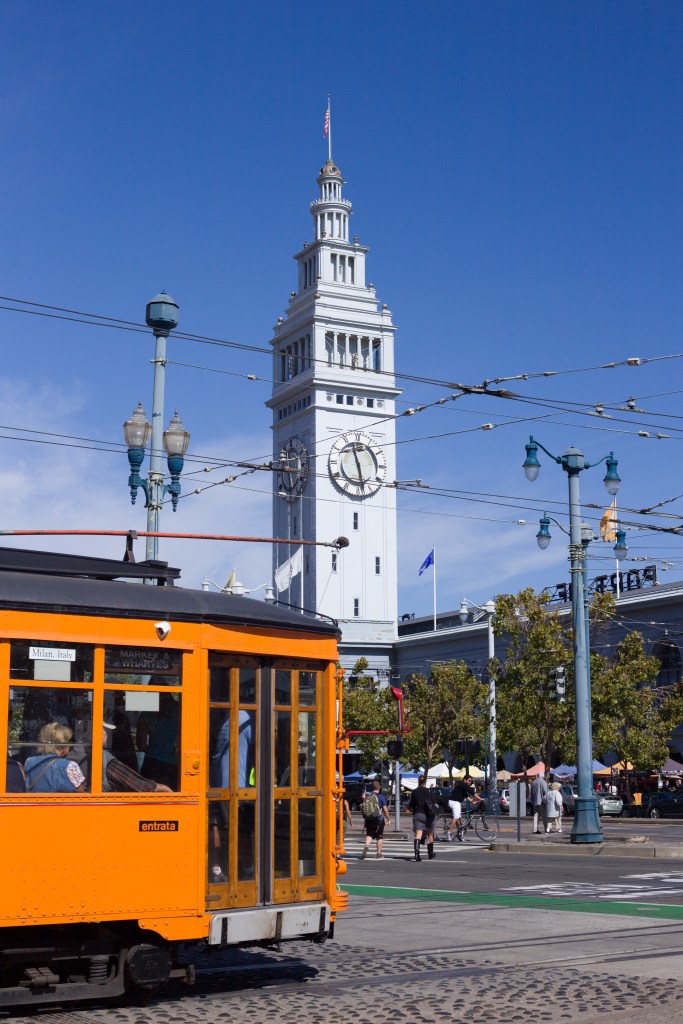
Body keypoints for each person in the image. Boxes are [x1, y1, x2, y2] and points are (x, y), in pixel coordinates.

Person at [101, 725, 170, 793]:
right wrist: (163, 788)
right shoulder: (105, 759)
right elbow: (141, 786)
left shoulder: (92, 754)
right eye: (103, 729)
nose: (105, 732)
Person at [24, 722, 86, 793]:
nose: (71, 745)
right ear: (62, 745)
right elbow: (80, 792)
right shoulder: (71, 766)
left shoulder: (29, 762)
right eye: (69, 742)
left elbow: (27, 787)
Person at [136, 692, 180, 789]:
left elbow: (141, 745)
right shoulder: (180, 711)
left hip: (152, 763)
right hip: (174, 764)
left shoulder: (146, 714)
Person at [408, 775, 436, 861]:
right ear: (425, 782)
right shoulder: (428, 791)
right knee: (430, 834)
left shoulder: (414, 792)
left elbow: (411, 804)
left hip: (418, 814)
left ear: (418, 782)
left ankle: (417, 854)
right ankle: (430, 854)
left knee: (418, 835)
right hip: (428, 816)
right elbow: (434, 802)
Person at [360, 780, 389, 859]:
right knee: (379, 836)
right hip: (379, 819)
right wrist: (388, 819)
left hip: (369, 819)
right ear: (379, 787)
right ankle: (379, 854)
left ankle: (366, 846)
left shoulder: (368, 796)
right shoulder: (380, 796)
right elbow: (385, 810)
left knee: (369, 834)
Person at [447, 776, 481, 841]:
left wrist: (472, 801)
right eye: (469, 780)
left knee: (459, 818)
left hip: (457, 802)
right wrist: (479, 798)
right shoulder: (463, 784)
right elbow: (471, 791)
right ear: (465, 780)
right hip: (454, 802)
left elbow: (466, 796)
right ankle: (449, 832)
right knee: (456, 817)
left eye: (471, 781)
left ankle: (459, 834)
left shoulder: (462, 786)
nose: (470, 782)